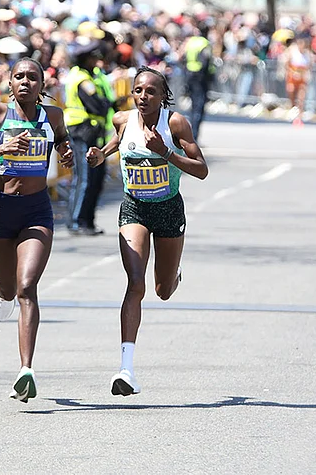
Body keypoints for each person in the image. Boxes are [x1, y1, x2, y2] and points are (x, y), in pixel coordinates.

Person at [86, 66, 208, 396]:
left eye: (151, 91)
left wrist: (165, 152)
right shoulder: (122, 120)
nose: (143, 96)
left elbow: (201, 170)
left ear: (163, 96)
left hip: (168, 209)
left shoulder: (176, 124)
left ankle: (173, 274)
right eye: (138, 90)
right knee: (135, 282)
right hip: (134, 208)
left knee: (162, 290)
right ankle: (126, 369)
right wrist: (100, 155)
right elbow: (116, 142)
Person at [0, 57, 73, 403]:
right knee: (8, 289)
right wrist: (0, 150)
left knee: (27, 287)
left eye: (32, 77)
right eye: (19, 76)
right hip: (1, 211)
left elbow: (62, 140)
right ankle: (0, 290)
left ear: (42, 85)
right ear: (9, 83)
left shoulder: (53, 116)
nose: (25, 82)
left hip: (36, 211)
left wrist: (66, 152)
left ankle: (26, 370)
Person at [64, 39, 124, 235]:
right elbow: (96, 105)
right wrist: (106, 104)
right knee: (85, 178)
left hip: (95, 131)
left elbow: (104, 101)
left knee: (96, 178)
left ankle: (88, 221)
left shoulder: (93, 75)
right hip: (82, 131)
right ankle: (76, 221)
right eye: (93, 57)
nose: (97, 61)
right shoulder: (81, 78)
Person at [183, 25, 215, 140]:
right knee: (199, 106)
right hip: (200, 77)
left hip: (190, 75)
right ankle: (194, 135)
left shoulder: (191, 42)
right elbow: (205, 61)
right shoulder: (204, 43)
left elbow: (185, 58)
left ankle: (191, 133)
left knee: (193, 106)